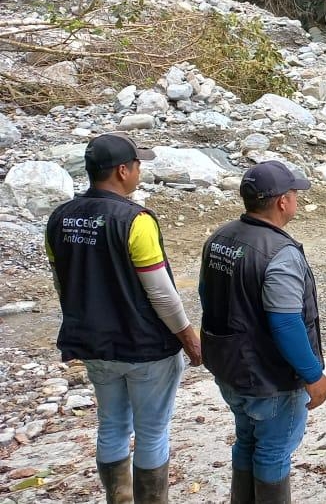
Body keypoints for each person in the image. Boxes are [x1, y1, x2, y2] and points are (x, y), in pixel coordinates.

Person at [45, 132, 201, 504]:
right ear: (122, 170)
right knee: (152, 432)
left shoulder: (59, 218)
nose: (140, 171)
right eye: (138, 164)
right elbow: (162, 293)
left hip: (95, 345)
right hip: (145, 346)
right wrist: (189, 338)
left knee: (112, 425)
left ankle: (118, 497)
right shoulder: (136, 220)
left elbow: (60, 282)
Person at [199, 160, 326, 503]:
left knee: (246, 440)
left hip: (230, 369)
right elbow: (286, 323)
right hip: (269, 379)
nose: (296, 201)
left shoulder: (220, 237)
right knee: (272, 453)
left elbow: (205, 295)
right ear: (281, 202)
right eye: (294, 194)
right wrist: (313, 375)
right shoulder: (281, 254)